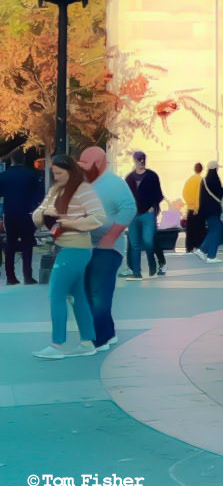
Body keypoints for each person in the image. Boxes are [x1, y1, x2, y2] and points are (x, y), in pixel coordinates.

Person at [32, 155, 107, 359]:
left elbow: (99, 217)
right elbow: (37, 215)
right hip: (65, 247)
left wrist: (68, 222)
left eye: (59, 173)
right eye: (54, 173)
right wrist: (45, 212)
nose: (56, 177)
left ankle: (57, 345)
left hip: (76, 248)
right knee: (77, 296)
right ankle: (87, 342)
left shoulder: (84, 190)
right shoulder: (55, 190)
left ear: (71, 171)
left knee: (56, 294)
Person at [77, 147, 136, 352]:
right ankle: (107, 334)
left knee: (98, 292)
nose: (82, 167)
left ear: (99, 163)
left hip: (107, 248)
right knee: (87, 291)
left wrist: (110, 237)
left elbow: (129, 208)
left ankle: (98, 339)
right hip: (85, 245)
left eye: (86, 163)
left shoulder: (113, 183)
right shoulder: (84, 183)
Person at [1, 148, 44, 284]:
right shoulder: (31, 175)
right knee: (27, 244)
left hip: (10, 213)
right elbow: (40, 194)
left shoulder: (3, 176)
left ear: (12, 160)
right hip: (27, 213)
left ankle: (10, 276)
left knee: (10, 244)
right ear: (23, 159)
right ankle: (27, 275)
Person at [124, 151, 165, 279]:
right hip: (133, 214)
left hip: (147, 213)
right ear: (134, 161)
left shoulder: (152, 176)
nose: (142, 162)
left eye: (143, 159)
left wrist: (153, 207)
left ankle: (152, 264)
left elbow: (158, 193)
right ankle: (137, 271)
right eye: (139, 160)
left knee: (148, 240)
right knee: (134, 243)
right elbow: (126, 196)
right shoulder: (129, 178)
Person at [195, 161, 223, 264]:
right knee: (217, 229)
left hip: (205, 211)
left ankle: (203, 250)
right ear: (215, 169)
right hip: (213, 210)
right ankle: (210, 255)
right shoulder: (214, 179)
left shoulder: (204, 180)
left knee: (214, 229)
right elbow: (219, 192)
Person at [181, 162, 204, 254]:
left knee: (190, 229)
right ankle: (199, 246)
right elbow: (202, 194)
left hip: (190, 208)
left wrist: (189, 203)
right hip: (199, 208)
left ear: (194, 169)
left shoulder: (189, 180)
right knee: (200, 228)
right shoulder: (202, 180)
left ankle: (189, 247)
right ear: (202, 170)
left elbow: (184, 193)